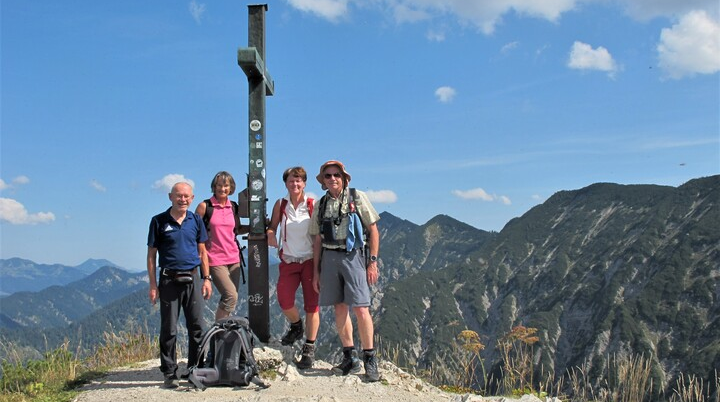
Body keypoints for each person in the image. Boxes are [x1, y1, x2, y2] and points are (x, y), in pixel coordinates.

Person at [310, 160, 381, 382]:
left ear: (344, 178)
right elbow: (317, 240)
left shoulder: (356, 197)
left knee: (361, 308)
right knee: (339, 308)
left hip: (353, 255)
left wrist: (372, 262)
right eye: (328, 176)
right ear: (323, 181)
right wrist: (316, 271)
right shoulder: (320, 205)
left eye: (336, 175)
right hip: (329, 257)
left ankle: (370, 358)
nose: (332, 179)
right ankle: (348, 356)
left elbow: (373, 230)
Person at [147, 182, 213, 388]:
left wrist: (207, 278)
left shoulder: (196, 220)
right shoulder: (158, 221)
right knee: (169, 328)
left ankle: (194, 369)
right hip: (168, 280)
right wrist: (153, 285)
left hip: (193, 278)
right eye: (178, 196)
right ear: (170, 197)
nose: (182, 199)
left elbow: (202, 251)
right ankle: (169, 372)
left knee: (197, 327)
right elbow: (151, 255)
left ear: (192, 198)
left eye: (186, 196)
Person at [266, 166, 320, 369]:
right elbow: (273, 225)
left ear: (304, 183)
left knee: (312, 305)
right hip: (288, 260)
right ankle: (297, 326)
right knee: (284, 299)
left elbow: (319, 235)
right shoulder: (281, 204)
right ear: (286, 183)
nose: (295, 184)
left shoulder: (312, 204)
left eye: (298, 180)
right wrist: (271, 233)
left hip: (309, 260)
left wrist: (319, 265)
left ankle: (309, 347)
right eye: (291, 180)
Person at [195, 171, 249, 321]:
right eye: (219, 185)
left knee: (230, 299)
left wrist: (257, 227)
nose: (222, 189)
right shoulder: (205, 207)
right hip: (214, 258)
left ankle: (223, 332)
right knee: (231, 295)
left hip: (234, 258)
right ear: (214, 186)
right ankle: (218, 332)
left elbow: (236, 229)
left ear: (231, 187)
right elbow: (194, 232)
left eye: (226, 185)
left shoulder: (233, 207)